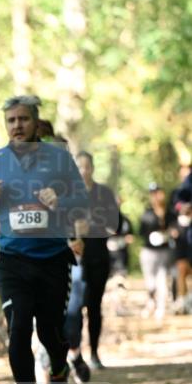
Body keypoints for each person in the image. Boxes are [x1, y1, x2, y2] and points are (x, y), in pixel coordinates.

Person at [0, 95, 88, 384]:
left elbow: (82, 201)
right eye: (11, 120)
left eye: (23, 119)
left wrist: (61, 198)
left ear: (36, 122)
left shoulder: (59, 158)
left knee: (51, 332)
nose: (17, 125)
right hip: (12, 261)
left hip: (52, 259)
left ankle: (60, 369)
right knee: (18, 328)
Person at [74, 152, 120, 369]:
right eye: (79, 167)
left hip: (98, 256)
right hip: (74, 258)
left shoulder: (104, 193)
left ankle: (93, 353)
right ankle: (75, 353)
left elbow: (115, 225)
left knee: (94, 306)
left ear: (92, 168)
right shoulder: (68, 193)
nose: (83, 171)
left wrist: (92, 225)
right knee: (74, 308)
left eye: (87, 166)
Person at [139, 183, 176, 319]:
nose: (156, 196)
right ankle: (151, 302)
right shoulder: (147, 213)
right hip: (149, 252)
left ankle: (161, 308)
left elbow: (176, 228)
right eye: (153, 193)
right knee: (151, 282)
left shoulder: (170, 213)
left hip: (165, 252)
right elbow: (142, 233)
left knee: (162, 280)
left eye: (158, 193)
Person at [169, 163, 192, 313]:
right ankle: (182, 301)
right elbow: (171, 211)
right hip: (181, 240)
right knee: (181, 268)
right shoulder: (176, 193)